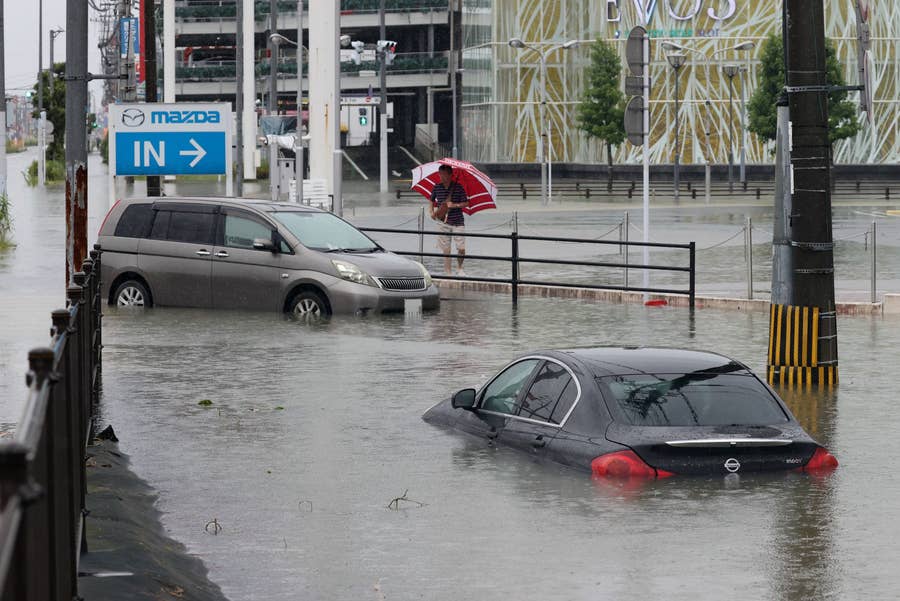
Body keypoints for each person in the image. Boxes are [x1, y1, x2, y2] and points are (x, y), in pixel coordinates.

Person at [429, 164, 469, 275]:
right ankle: (448, 273)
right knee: (446, 250)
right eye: (440, 174)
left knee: (461, 248)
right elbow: (431, 200)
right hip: (443, 222)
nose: (441, 176)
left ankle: (460, 268)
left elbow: (466, 203)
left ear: (450, 175)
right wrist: (431, 212)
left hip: (458, 221)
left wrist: (455, 205)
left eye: (444, 174)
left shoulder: (458, 187)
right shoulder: (437, 187)